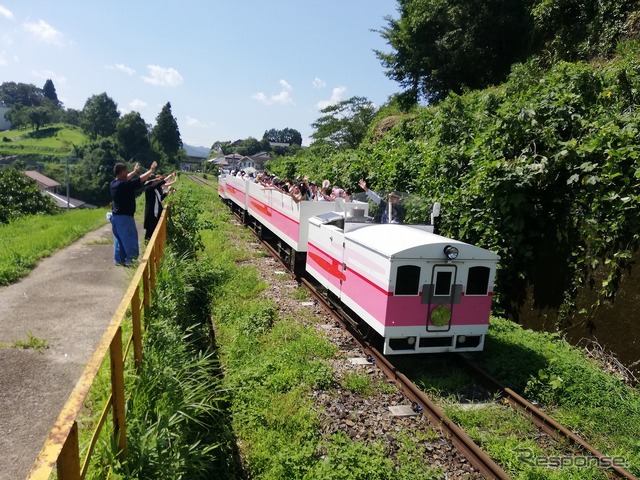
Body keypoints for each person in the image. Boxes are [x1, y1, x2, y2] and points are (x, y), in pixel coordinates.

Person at [110, 161, 157, 266]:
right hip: (125, 218)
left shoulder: (114, 184)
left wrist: (135, 171)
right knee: (130, 238)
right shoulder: (125, 184)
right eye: (126, 170)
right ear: (122, 172)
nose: (128, 172)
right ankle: (131, 260)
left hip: (115, 217)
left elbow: (127, 178)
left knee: (119, 240)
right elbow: (140, 180)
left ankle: (119, 260)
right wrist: (151, 171)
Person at [143, 171, 175, 241]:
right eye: (155, 181)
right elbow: (162, 182)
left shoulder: (154, 190)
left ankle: (148, 244)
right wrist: (170, 176)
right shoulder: (149, 188)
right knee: (150, 232)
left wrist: (167, 193)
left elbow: (160, 198)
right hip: (151, 213)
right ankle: (147, 246)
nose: (156, 182)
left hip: (155, 213)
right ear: (151, 182)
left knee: (154, 231)